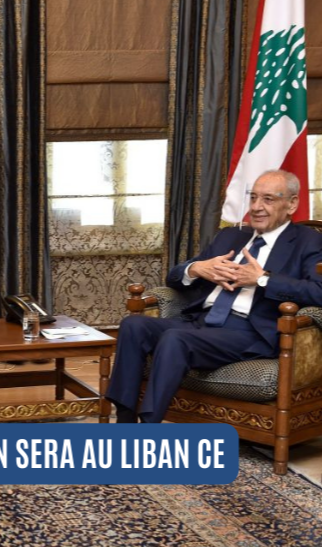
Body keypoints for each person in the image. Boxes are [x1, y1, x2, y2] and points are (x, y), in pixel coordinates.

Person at [106, 169, 322, 424]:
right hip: (201, 322)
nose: (256, 207)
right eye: (253, 197)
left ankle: (148, 429)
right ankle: (124, 421)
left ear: (292, 204)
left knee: (175, 339)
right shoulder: (231, 236)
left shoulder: (308, 242)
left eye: (268, 199)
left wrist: (263, 279)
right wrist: (196, 269)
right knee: (133, 325)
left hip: (249, 332)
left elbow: (317, 291)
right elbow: (173, 277)